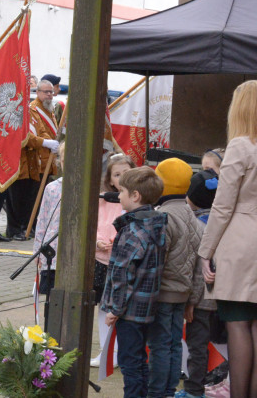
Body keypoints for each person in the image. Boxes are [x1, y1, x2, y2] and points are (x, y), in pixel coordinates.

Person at [199, 80, 257, 398]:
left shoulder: (239, 145)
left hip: (240, 244)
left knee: (237, 324)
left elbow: (222, 205)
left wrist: (205, 251)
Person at [101, 166, 168, 398]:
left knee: (130, 363)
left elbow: (122, 275)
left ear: (135, 196)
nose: (118, 196)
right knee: (140, 361)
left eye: (121, 192)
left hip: (129, 311)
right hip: (147, 307)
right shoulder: (156, 225)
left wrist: (114, 309)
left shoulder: (133, 231)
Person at [149, 157, 203, 398]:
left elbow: (157, 261)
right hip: (182, 292)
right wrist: (193, 298)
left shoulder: (164, 217)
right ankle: (169, 390)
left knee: (159, 345)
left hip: (162, 293)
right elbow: (199, 265)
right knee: (172, 344)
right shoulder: (193, 217)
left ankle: (157, 391)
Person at [91, 152, 131, 367]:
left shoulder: (134, 201)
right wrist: (98, 241)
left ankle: (121, 351)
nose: (121, 177)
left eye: (126, 172)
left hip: (123, 263)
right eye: (117, 174)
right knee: (103, 307)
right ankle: (105, 352)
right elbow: (94, 225)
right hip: (102, 261)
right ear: (109, 179)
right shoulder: (102, 200)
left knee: (121, 308)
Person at [11, 74, 61, 240]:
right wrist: (46, 142)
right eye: (46, 92)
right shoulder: (33, 109)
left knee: (35, 199)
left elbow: (50, 131)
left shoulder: (49, 109)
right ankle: (18, 228)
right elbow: (35, 133)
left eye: (51, 92)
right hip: (33, 159)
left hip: (44, 160)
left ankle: (29, 226)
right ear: (37, 92)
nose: (49, 95)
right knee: (22, 198)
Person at [183, 171, 219, 398]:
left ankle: (194, 390)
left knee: (197, 347)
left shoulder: (196, 226)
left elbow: (198, 273)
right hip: (220, 296)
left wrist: (191, 302)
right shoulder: (218, 222)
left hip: (202, 300)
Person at [32, 143, 66, 308]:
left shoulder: (92, 189)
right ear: (60, 162)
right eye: (66, 160)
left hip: (72, 257)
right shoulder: (52, 188)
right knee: (51, 301)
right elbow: (42, 221)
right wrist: (38, 251)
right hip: (51, 254)